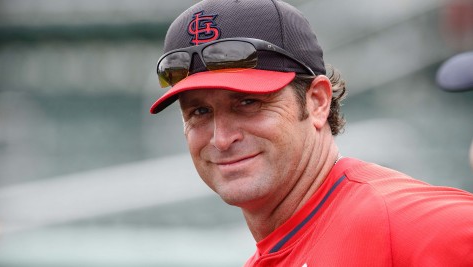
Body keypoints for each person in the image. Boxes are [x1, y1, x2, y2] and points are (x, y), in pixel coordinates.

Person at [149, 0, 473, 266]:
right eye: (199, 112)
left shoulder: (400, 221)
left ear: (317, 101)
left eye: (248, 103)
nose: (221, 139)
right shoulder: (271, 254)